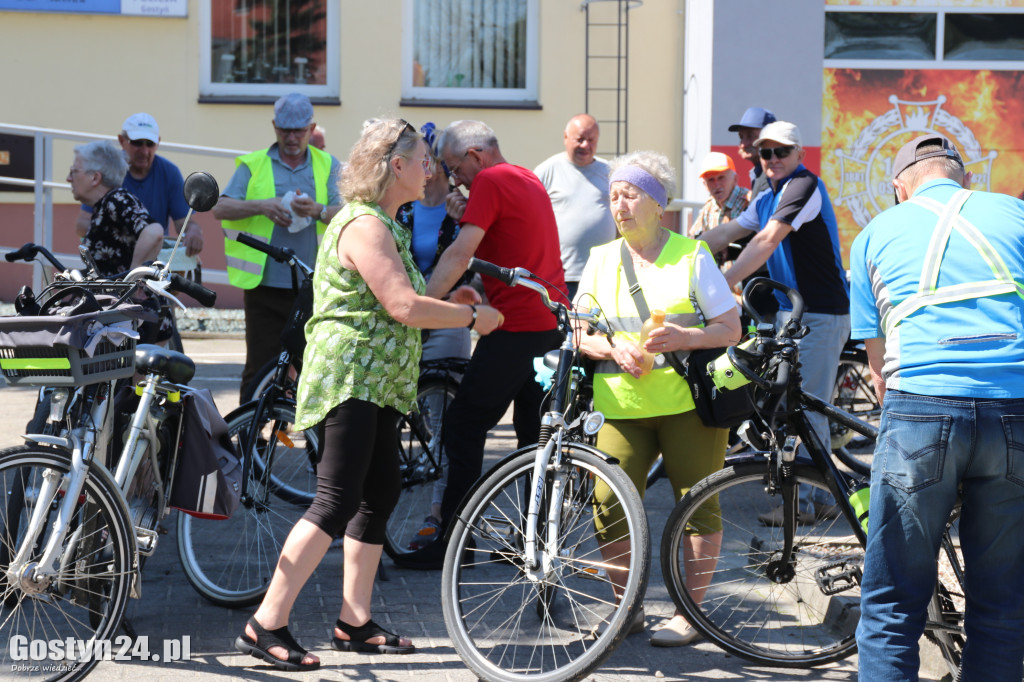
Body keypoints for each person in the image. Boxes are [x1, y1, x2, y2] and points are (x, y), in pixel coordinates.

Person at [233, 118, 503, 672]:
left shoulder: (384, 222)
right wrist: (473, 315)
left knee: (378, 491)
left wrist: (455, 301)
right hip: (351, 377)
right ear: (395, 165)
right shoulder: (364, 224)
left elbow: (409, 299)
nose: (432, 167)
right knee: (334, 500)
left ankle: (354, 622)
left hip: (378, 380)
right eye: (424, 158)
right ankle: (266, 622)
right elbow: (403, 305)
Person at [851, 135, 1024, 682]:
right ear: (964, 179)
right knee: (1002, 602)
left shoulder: (875, 233)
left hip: (921, 405)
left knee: (891, 603)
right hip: (1015, 407)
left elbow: (877, 370)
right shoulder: (1015, 213)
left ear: (901, 188)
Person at [574, 150, 741, 645]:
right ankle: (628, 609)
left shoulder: (692, 255)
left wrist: (684, 340)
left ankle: (690, 614)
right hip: (619, 406)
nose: (619, 205)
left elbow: (730, 328)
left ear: (658, 203)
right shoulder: (602, 259)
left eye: (629, 195)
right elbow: (580, 332)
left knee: (697, 506)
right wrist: (611, 346)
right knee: (607, 503)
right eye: (613, 197)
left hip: (688, 406)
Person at [393, 119, 567, 570]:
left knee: (463, 428)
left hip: (517, 330)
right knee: (534, 439)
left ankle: (453, 543)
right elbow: (513, 252)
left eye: (454, 168)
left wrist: (421, 307)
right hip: (550, 326)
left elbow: (459, 254)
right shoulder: (526, 177)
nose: (454, 180)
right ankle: (533, 543)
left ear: (476, 155)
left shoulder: (490, 180)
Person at [699, 121, 850, 525]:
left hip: (820, 312)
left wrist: (719, 283)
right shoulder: (768, 194)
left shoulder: (803, 186)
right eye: (766, 153)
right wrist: (682, 254)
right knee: (785, 407)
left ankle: (801, 505)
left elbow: (766, 241)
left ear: (799, 154)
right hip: (792, 315)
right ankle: (819, 499)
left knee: (807, 409)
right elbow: (731, 231)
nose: (773, 160)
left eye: (781, 152)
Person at [212, 93, 343, 401]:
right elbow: (220, 209)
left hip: (313, 285)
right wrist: (262, 206)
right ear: (274, 126)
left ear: (311, 128)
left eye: (299, 130)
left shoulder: (328, 164)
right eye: (285, 130)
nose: (292, 137)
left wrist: (318, 210)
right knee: (259, 367)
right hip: (265, 286)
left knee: (314, 367)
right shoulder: (255, 164)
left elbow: (351, 213)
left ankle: (309, 439)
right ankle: (250, 441)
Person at [395, 121, 473, 550]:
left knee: (447, 426)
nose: (423, 166)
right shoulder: (401, 206)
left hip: (443, 323)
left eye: (428, 158)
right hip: (405, 322)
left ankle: (436, 516)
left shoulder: (464, 208)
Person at [75, 113, 204, 257]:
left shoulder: (169, 173)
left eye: (150, 144)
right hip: (112, 258)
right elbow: (82, 224)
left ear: (158, 143)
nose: (144, 150)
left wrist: (194, 231)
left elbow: (184, 223)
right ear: (121, 141)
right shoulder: (107, 171)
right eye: (137, 142)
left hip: (154, 259)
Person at [534, 113, 616, 300]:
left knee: (598, 328)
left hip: (602, 275)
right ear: (566, 137)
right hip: (563, 275)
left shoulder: (610, 172)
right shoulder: (548, 171)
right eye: (580, 139)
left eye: (591, 140)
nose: (585, 145)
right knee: (565, 327)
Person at [68, 140, 164, 277]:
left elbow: (154, 232)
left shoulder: (116, 199)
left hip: (126, 298)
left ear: (95, 178)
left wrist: (132, 279)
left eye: (74, 171)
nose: (68, 178)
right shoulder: (105, 205)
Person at [688, 151, 749, 263]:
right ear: (705, 185)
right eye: (711, 180)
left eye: (721, 178)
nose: (716, 185)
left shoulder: (749, 201)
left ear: (735, 179)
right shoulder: (709, 206)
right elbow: (693, 238)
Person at [728, 106, 776, 203]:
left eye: (751, 136)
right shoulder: (759, 173)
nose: (743, 144)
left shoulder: (773, 175)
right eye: (741, 137)